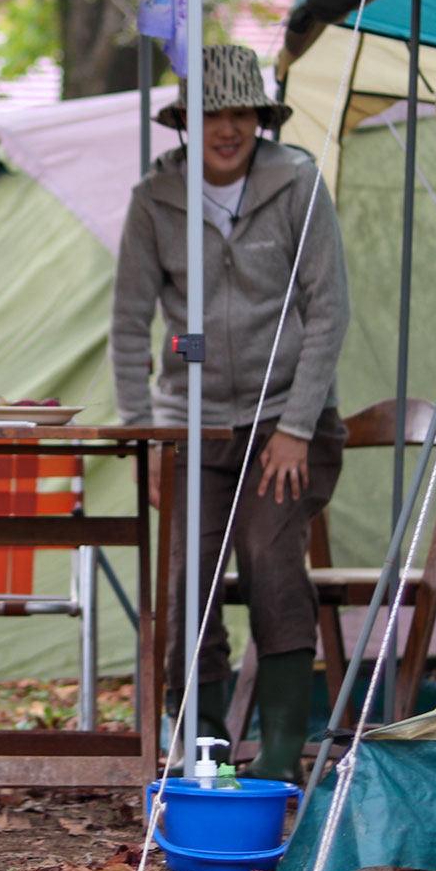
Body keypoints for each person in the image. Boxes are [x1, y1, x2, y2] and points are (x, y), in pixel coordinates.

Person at [109, 43, 349, 784]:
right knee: (189, 576)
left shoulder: (299, 183)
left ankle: (279, 749)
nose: (228, 127)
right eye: (214, 112)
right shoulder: (156, 200)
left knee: (273, 557)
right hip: (191, 423)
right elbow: (128, 324)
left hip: (288, 422)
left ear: (261, 119)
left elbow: (330, 311)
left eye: (242, 111)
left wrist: (297, 428)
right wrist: (146, 435)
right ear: (187, 120)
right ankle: (206, 742)